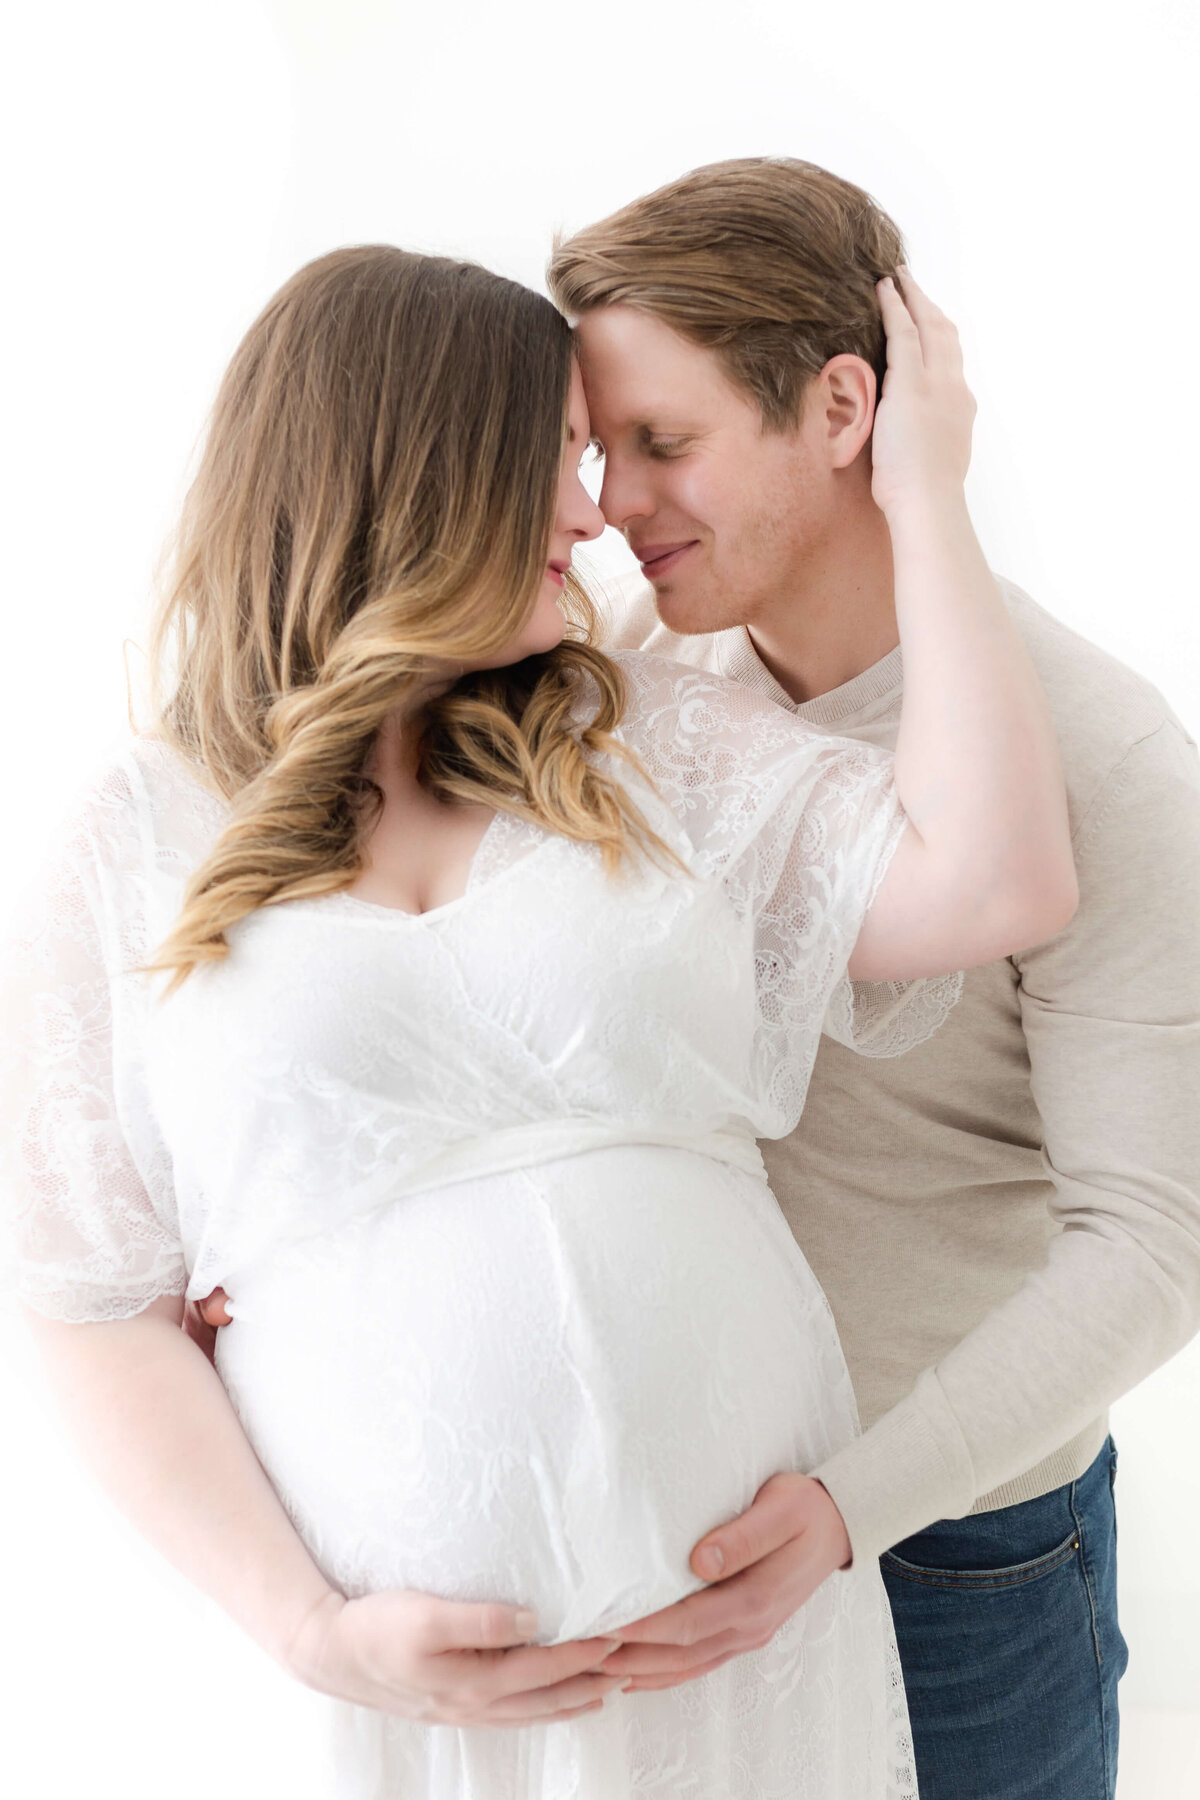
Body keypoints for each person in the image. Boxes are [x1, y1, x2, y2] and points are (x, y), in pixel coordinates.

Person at [5, 244, 1076, 1800]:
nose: (598, 515)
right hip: (400, 1682)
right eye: (553, 466)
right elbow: (89, 1298)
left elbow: (994, 881)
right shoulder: (131, 835)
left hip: (734, 1651)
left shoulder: (635, 738)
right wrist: (307, 1630)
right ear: (413, 480)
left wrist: (927, 495)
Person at [538, 156, 1200, 1800]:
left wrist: (853, 1507)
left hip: (955, 1559)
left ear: (847, 409)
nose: (615, 501)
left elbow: (1160, 1240)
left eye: (666, 443)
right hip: (644, 1525)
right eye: (599, 449)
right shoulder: (627, 666)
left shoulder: (1101, 755)